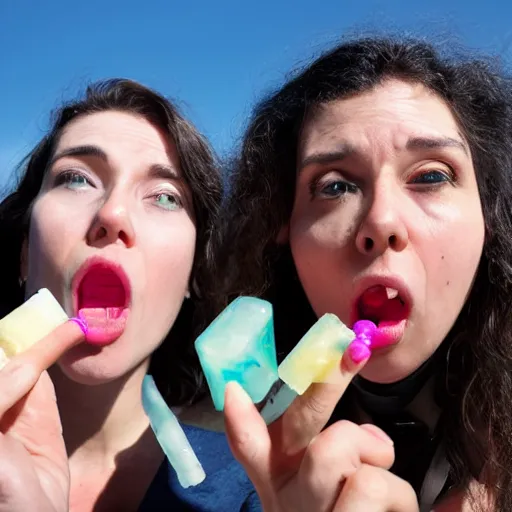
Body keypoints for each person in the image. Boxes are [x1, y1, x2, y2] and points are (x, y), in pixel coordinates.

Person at [218, 36, 512, 510]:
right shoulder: (225, 463)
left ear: (490, 215)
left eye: (432, 176)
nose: (382, 222)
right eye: (334, 186)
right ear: (281, 224)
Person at [0, 78, 261, 511]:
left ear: (193, 276)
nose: (113, 213)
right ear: (26, 254)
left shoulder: (255, 490)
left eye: (164, 196)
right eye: (76, 178)